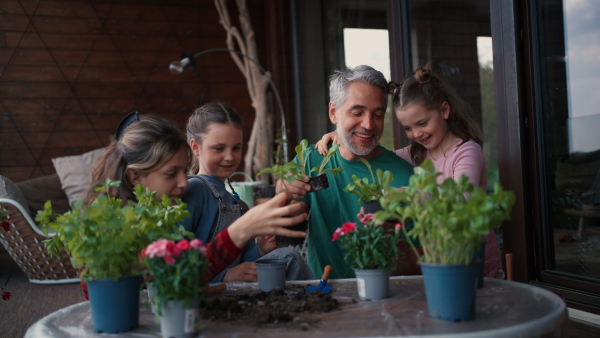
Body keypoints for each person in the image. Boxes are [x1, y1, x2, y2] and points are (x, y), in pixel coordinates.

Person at [80, 114, 308, 299]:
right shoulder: (114, 229)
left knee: (288, 257)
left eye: (185, 171)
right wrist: (240, 232)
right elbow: (166, 280)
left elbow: (185, 270)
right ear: (135, 177)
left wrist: (255, 244)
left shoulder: (163, 210)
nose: (184, 183)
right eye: (171, 174)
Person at [316, 65, 502, 278]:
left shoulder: (467, 150)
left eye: (422, 123)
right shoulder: (417, 154)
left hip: (474, 258)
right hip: (442, 257)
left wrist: (404, 193)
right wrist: (342, 135)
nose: (416, 134)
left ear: (444, 110)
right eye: (408, 128)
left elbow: (460, 197)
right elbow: (377, 154)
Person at [276, 65, 415, 279]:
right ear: (334, 112)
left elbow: (421, 261)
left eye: (378, 115)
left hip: (384, 294)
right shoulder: (311, 159)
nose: (369, 124)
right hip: (323, 292)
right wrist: (284, 189)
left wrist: (390, 241)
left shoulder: (404, 175)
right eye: (357, 113)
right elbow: (291, 215)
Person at [182, 102, 313, 283]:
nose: (230, 157)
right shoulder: (195, 189)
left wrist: (261, 248)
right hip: (205, 291)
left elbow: (243, 260)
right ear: (196, 147)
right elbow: (176, 262)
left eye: (236, 147)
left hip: (235, 290)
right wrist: (224, 275)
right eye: (219, 148)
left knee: (289, 257)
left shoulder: (234, 200)